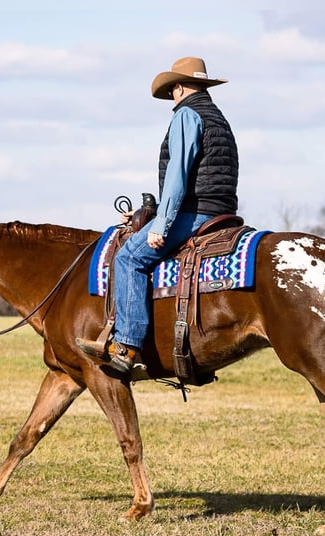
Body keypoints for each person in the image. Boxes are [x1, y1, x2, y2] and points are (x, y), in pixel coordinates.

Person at [77, 56, 239, 374]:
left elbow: (178, 176)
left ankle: (127, 346)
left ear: (177, 87)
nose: (172, 98)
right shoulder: (218, 118)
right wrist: (148, 213)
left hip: (195, 213)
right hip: (222, 210)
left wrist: (160, 224)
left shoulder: (186, 115)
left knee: (128, 259)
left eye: (171, 92)